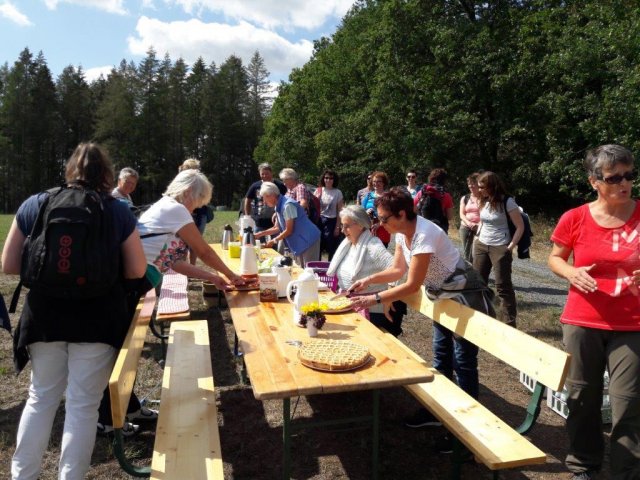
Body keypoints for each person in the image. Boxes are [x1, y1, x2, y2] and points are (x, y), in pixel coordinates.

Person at [2, 143, 148, 480]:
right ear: (107, 174)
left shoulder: (35, 204)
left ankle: (22, 475)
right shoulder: (117, 210)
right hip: (97, 320)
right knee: (82, 407)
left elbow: (9, 265)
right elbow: (137, 270)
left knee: (40, 398)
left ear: (70, 169)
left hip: (44, 317)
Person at [97, 168, 244, 435]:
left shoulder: (164, 209)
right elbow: (203, 250)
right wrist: (230, 274)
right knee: (119, 353)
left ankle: (129, 407)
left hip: (135, 285)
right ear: (189, 193)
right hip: (126, 287)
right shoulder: (175, 209)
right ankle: (108, 420)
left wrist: (213, 278)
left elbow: (173, 262)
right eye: (197, 202)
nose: (196, 209)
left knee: (126, 348)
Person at [348, 187, 494, 449]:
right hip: (444, 297)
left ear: (402, 214)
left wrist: (375, 298)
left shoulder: (425, 234)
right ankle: (438, 413)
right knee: (441, 356)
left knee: (463, 362)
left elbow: (413, 284)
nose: (380, 224)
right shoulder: (402, 234)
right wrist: (368, 280)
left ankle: (467, 434)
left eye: (383, 218)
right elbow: (396, 270)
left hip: (465, 297)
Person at [548, 144, 640, 480]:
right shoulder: (575, 218)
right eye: (614, 177)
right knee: (582, 397)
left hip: (633, 323)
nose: (624, 182)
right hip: (583, 320)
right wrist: (572, 272)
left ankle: (626, 472)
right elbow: (555, 258)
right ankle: (583, 466)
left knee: (628, 402)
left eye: (630, 175)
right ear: (594, 182)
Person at [327, 205, 405, 336]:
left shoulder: (372, 246)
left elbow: (400, 272)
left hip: (373, 313)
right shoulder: (349, 244)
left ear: (360, 225)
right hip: (352, 306)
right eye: (342, 226)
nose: (342, 230)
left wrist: (388, 298)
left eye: (346, 226)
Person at [472, 171, 524, 327]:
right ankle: (480, 318)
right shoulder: (483, 201)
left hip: (500, 246)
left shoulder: (508, 202)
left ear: (491, 186)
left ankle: (509, 324)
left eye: (482, 187)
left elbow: (520, 227)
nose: (479, 190)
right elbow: (483, 221)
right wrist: (477, 236)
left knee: (502, 286)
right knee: (478, 283)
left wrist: (509, 247)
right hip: (482, 244)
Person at [254, 181, 321, 267]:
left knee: (309, 271)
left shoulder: (287, 205)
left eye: (264, 198)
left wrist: (274, 241)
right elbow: (277, 228)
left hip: (309, 240)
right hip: (300, 241)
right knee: (300, 269)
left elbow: (289, 230)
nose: (264, 201)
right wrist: (259, 234)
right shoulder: (278, 205)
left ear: (272, 195)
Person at [178, 158, 211, 265]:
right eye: (194, 169)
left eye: (197, 169)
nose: (197, 171)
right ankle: (184, 269)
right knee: (181, 243)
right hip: (184, 214)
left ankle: (192, 266)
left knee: (196, 243)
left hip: (200, 214)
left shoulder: (201, 180)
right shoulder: (180, 181)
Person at [243, 163, 286, 233]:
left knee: (275, 242)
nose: (265, 176)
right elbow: (247, 200)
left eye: (267, 173)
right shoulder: (255, 186)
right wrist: (247, 215)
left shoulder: (280, 185)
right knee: (258, 242)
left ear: (271, 173)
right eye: (262, 174)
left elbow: (285, 200)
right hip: (259, 223)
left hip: (276, 222)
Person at [315, 169, 344, 260]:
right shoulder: (319, 190)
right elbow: (313, 208)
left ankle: (330, 268)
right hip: (319, 221)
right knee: (318, 246)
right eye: (326, 178)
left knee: (331, 247)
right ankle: (317, 266)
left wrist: (337, 227)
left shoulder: (337, 192)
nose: (328, 180)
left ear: (334, 180)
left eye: (331, 178)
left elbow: (340, 211)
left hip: (332, 222)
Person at [414, 167, 454, 233]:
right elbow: (449, 216)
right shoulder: (446, 195)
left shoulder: (422, 192)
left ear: (430, 178)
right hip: (438, 229)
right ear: (444, 180)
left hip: (422, 228)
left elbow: (414, 210)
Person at [361, 171, 391, 247]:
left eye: (379, 181)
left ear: (384, 183)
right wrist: (366, 212)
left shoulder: (388, 196)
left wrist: (379, 224)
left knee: (380, 254)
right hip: (369, 228)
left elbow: (390, 214)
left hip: (383, 228)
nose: (376, 183)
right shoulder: (368, 196)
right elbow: (360, 211)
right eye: (374, 181)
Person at [459, 173, 481, 263]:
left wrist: (478, 225)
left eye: (473, 183)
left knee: (478, 252)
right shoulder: (465, 198)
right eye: (469, 184)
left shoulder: (484, 198)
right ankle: (468, 273)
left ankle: (477, 272)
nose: (471, 186)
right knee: (466, 252)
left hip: (480, 228)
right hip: (465, 227)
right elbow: (461, 214)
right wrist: (469, 223)